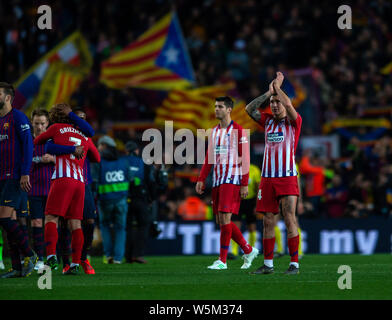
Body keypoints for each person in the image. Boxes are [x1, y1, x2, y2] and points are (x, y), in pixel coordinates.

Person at [245, 72, 302, 275]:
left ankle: (294, 263)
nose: (275, 105)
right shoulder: (267, 120)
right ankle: (268, 265)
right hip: (267, 179)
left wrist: (278, 88)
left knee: (289, 218)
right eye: (272, 102)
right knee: (267, 220)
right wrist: (268, 93)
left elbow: (288, 106)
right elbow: (249, 109)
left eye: (277, 102)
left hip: (286, 176)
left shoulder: (294, 122)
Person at [196, 96, 259, 270]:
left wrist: (244, 183)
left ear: (229, 109)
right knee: (221, 219)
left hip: (232, 179)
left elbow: (245, 158)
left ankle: (222, 260)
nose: (216, 109)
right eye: (215, 106)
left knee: (225, 218)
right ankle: (248, 249)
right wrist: (202, 179)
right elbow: (209, 158)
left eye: (220, 106)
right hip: (217, 179)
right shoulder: (214, 131)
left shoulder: (238, 131)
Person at [34, 103, 97, 275]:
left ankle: (51, 255)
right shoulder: (83, 133)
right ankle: (75, 264)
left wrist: (50, 137)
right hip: (80, 183)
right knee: (75, 223)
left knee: (51, 218)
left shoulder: (56, 128)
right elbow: (92, 136)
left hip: (63, 179)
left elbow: (41, 143)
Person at [0, 82, 37, 278]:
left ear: (7, 97)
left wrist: (25, 173)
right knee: (8, 222)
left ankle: (31, 255)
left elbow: (28, 146)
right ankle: (16, 267)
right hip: (1, 177)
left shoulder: (18, 117)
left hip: (14, 176)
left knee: (5, 218)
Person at [92, 135, 129, 264]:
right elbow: (129, 177)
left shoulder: (99, 160)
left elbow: (95, 181)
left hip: (105, 201)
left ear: (104, 146)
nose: (98, 148)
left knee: (105, 226)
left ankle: (108, 256)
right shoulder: (123, 160)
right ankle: (118, 258)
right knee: (120, 228)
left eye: (99, 145)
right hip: (121, 200)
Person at [28, 109, 55, 270]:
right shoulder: (26, 140)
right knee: (36, 222)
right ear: (32, 123)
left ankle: (53, 256)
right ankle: (39, 258)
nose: (39, 127)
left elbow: (67, 160)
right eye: (36, 123)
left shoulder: (54, 141)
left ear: (48, 124)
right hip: (33, 188)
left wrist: (53, 158)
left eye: (42, 123)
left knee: (53, 224)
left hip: (53, 188)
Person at [123, 140, 157, 264]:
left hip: (125, 199)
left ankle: (128, 256)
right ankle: (138, 254)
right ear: (137, 151)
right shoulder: (144, 163)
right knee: (143, 226)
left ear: (126, 151)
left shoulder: (121, 162)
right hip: (141, 199)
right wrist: (152, 199)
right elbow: (151, 182)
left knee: (128, 227)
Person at [229, 162, 260, 259]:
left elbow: (258, 188)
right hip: (237, 201)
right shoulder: (234, 169)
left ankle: (251, 251)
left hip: (250, 202)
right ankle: (234, 252)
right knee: (235, 226)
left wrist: (257, 205)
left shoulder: (254, 169)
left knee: (252, 227)